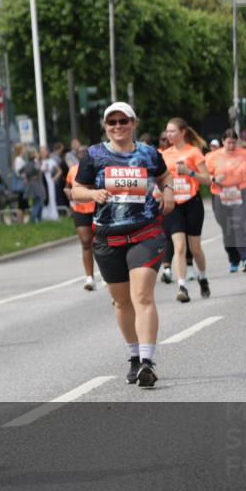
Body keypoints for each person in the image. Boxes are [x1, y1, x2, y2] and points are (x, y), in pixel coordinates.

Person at [71, 102, 174, 389]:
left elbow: (164, 176)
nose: (118, 126)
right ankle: (134, 355)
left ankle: (147, 362)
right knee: (121, 301)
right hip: (109, 238)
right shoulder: (94, 155)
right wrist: (93, 194)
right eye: (112, 122)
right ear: (105, 126)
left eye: (123, 121)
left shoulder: (148, 153)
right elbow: (77, 190)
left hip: (145, 232)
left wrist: (168, 191)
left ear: (133, 123)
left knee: (142, 296)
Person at [158, 118, 212, 302]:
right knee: (179, 246)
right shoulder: (164, 155)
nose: (168, 135)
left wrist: (190, 172)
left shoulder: (193, 152)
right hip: (173, 205)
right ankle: (182, 286)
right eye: (167, 131)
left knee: (195, 248)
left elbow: (208, 180)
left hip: (192, 203)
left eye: (172, 131)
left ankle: (202, 277)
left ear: (182, 132)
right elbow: (159, 179)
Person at [206, 129, 246, 272]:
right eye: (228, 143)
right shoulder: (213, 156)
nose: (231, 146)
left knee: (240, 224)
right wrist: (213, 179)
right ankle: (234, 259)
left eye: (234, 143)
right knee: (227, 228)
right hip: (220, 194)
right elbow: (204, 175)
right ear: (223, 142)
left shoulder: (244, 154)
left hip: (241, 192)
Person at [63, 147, 96, 291]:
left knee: (101, 243)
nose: (82, 155)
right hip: (80, 209)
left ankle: (108, 275)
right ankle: (89, 277)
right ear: (76, 156)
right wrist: (68, 192)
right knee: (86, 242)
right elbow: (67, 187)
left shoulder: (96, 167)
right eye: (79, 153)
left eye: (85, 152)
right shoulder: (73, 170)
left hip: (97, 208)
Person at [22, 148, 45, 223]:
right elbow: (38, 169)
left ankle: (38, 220)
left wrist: (28, 177)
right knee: (38, 203)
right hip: (37, 185)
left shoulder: (26, 164)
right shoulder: (35, 163)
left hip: (30, 185)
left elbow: (21, 171)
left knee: (38, 202)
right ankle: (32, 220)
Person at [11, 143, 29, 219]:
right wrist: (25, 176)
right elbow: (18, 172)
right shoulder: (18, 160)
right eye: (24, 148)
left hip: (22, 185)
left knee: (22, 204)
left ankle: (21, 220)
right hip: (21, 185)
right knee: (21, 204)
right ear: (20, 150)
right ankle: (20, 220)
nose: (25, 150)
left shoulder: (20, 159)